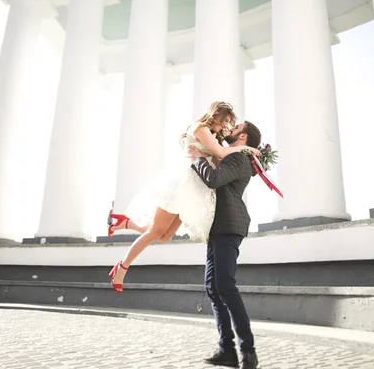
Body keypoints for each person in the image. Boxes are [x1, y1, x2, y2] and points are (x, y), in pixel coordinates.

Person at [108, 102, 260, 293]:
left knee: (164, 236)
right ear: (216, 115)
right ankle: (122, 268)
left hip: (193, 190)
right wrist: (247, 149)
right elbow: (221, 153)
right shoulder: (200, 128)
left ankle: (127, 224)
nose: (225, 127)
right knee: (156, 232)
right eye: (225, 122)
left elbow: (220, 161)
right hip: (180, 184)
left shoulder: (214, 136)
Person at [188, 120, 262, 369]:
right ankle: (226, 350)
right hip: (218, 227)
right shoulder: (231, 155)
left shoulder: (239, 158)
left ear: (244, 138)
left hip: (229, 225)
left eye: (237, 127)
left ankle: (248, 352)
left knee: (225, 287)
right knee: (213, 287)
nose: (231, 129)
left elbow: (214, 179)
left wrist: (198, 158)